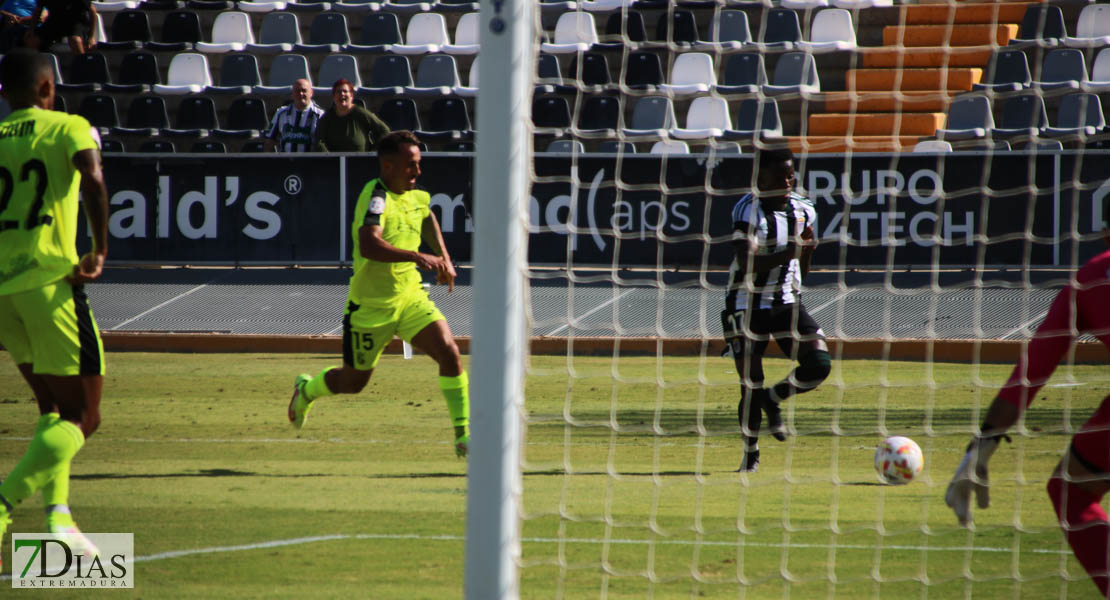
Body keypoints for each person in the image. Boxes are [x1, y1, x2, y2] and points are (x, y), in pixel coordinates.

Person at [945, 211, 1110, 597]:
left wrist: (978, 454)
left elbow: (1030, 373)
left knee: (1072, 492)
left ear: (1105, 232)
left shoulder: (1091, 279)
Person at [288, 130, 469, 458]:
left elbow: (427, 217)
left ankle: (463, 436)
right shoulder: (377, 197)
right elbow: (370, 244)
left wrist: (443, 257)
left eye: (418, 163)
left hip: (410, 297)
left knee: (449, 352)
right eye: (410, 165)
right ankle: (307, 390)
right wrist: (418, 257)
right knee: (353, 382)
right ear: (388, 166)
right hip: (370, 307)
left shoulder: (416, 196)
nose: (417, 171)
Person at [0, 48, 110, 566]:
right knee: (85, 416)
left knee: (50, 409)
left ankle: (58, 521)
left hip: (4, 295)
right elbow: (92, 178)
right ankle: (2, 504)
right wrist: (100, 247)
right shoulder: (69, 126)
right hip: (50, 284)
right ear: (48, 89)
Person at [722, 147, 831, 473]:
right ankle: (751, 452)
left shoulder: (805, 210)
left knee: (819, 363)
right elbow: (747, 263)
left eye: (791, 174)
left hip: (786, 300)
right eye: (781, 175)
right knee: (751, 382)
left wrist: (807, 250)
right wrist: (792, 251)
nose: (788, 180)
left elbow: (804, 267)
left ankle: (775, 398)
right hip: (745, 302)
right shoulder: (747, 210)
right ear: (761, 178)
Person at [313, 78, 390, 153]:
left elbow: (384, 131)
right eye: (339, 92)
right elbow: (319, 141)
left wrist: (373, 151)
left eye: (345, 91)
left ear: (351, 95)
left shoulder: (361, 113)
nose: (342, 94)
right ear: (333, 96)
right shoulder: (327, 117)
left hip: (360, 162)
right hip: (335, 163)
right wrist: (329, 158)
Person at [263, 78, 325, 153]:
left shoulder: (320, 115)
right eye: (297, 91)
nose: (300, 94)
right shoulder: (281, 113)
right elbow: (270, 141)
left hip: (310, 162)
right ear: (292, 93)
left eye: (304, 90)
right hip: (286, 162)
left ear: (311, 93)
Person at [24, 0, 97, 54]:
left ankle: (82, 67)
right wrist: (31, 29)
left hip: (75, 22)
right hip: (55, 21)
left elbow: (93, 12)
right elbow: (38, 11)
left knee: (75, 41)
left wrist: (91, 37)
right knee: (32, 40)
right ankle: (40, 67)